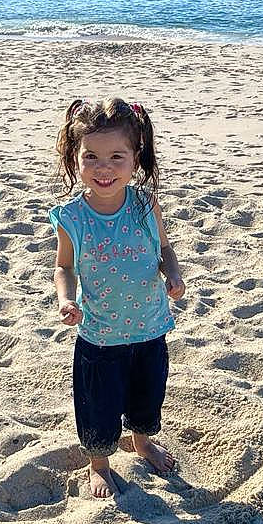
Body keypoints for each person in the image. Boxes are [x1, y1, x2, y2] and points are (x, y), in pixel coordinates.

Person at [49, 97, 185, 498]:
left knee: (147, 399)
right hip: (100, 336)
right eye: (91, 157)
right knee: (99, 408)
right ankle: (99, 465)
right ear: (75, 158)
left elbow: (165, 249)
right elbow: (64, 267)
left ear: (135, 158)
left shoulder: (145, 204)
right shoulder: (73, 217)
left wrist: (173, 274)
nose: (103, 168)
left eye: (116, 157)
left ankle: (142, 443)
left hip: (150, 327)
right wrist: (65, 299)